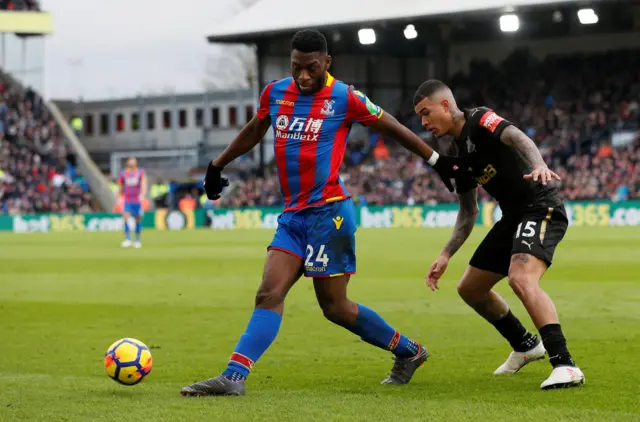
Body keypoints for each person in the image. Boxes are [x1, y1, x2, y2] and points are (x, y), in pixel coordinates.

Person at [180, 29, 465, 397]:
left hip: (329, 214)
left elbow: (391, 126)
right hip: (293, 216)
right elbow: (255, 129)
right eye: (296, 67)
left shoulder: (345, 98)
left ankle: (409, 351)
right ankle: (234, 377)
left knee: (335, 308)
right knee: (268, 293)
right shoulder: (276, 93)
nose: (303, 76)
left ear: (327, 63)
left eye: (311, 68)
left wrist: (436, 160)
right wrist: (217, 164)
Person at [414, 80, 584, 390]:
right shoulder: (457, 153)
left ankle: (565, 365)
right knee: (470, 289)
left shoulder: (480, 119)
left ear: (446, 105)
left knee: (521, 278)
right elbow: (468, 213)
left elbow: (518, 137)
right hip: (512, 217)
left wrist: (540, 165)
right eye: (419, 118)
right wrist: (445, 254)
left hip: (540, 206)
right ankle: (525, 345)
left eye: (426, 113)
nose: (424, 123)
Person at [119, 157, 146, 248]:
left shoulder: (140, 172)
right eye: (130, 161)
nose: (132, 163)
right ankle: (128, 238)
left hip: (136, 200)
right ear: (127, 163)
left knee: (137, 219)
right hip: (127, 199)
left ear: (136, 163)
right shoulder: (123, 173)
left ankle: (137, 239)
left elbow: (143, 184)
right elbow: (120, 185)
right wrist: (119, 196)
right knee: (126, 217)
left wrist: (142, 194)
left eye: (133, 161)